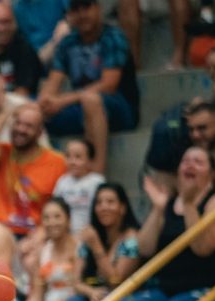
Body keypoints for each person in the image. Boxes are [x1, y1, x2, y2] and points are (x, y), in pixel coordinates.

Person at [37, 0, 138, 177]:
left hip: (119, 108)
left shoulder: (113, 36)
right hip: (80, 107)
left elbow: (108, 84)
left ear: (97, 9)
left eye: (86, 7)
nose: (82, 14)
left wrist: (62, 101)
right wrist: (45, 102)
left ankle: (96, 173)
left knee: (90, 99)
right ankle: (43, 175)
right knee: (31, 111)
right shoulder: (67, 43)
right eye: (76, 9)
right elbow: (53, 83)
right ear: (69, 15)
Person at [124, 147, 215, 301]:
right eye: (185, 161)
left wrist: (188, 204)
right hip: (165, 288)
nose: (190, 165)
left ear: (212, 175)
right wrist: (158, 208)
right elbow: (144, 249)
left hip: (206, 288)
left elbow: (202, 248)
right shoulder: (167, 202)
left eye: (198, 162)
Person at [0, 102, 65, 238]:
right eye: (18, 123)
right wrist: (5, 113)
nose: (21, 129)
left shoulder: (57, 162)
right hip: (0, 232)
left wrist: (41, 235)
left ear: (39, 132)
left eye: (29, 126)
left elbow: (61, 207)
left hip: (35, 234)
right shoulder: (3, 153)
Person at [67, 182, 140, 301]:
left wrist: (96, 246)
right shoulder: (91, 235)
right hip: (95, 293)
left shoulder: (132, 238)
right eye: (99, 203)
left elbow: (115, 281)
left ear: (122, 208)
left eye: (110, 202)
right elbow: (75, 282)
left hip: (125, 296)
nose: (103, 207)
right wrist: (91, 292)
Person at [24, 198, 80, 301]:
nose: (52, 222)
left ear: (68, 220)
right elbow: (37, 293)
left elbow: (79, 288)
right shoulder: (43, 252)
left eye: (57, 216)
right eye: (46, 218)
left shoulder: (80, 248)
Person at [50, 139, 104, 235]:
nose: (72, 162)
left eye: (78, 157)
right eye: (68, 156)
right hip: (64, 235)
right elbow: (54, 207)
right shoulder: (62, 181)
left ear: (90, 161)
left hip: (89, 234)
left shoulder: (97, 182)